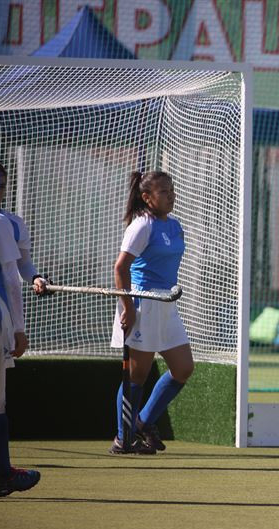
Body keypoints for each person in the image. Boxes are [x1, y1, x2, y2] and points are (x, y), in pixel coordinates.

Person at [109, 171, 193, 455]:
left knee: (183, 369)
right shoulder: (141, 225)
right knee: (137, 375)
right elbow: (120, 268)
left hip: (166, 303)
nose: (171, 196)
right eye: (164, 192)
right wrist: (128, 308)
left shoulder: (175, 225)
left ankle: (142, 423)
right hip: (143, 303)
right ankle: (123, 438)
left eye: (172, 190)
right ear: (146, 197)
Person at [0, 164, 41, 497]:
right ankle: (2, 474)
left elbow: (23, 268)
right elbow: (11, 279)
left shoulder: (11, 222)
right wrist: (19, 330)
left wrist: (36, 276)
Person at [0, 162, 48, 296]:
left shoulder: (15, 224)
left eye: (2, 186)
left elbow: (24, 264)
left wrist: (36, 278)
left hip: (3, 300)